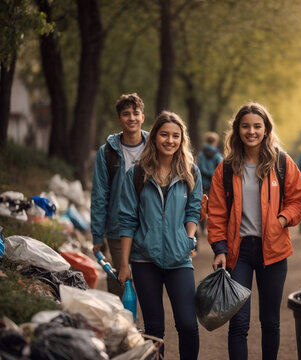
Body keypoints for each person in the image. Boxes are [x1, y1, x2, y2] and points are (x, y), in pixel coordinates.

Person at [207, 102, 301, 360]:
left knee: (270, 322)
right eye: (245, 126)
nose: (251, 131)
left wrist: (282, 220)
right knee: (239, 323)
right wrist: (219, 249)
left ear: (266, 129)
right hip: (238, 252)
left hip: (273, 251)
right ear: (237, 130)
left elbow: (299, 199)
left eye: (257, 126)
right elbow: (217, 212)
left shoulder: (282, 162)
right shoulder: (227, 168)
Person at [118, 111, 202, 360]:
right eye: (164, 134)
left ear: (182, 140)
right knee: (155, 329)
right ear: (154, 137)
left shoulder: (191, 172)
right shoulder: (137, 173)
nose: (170, 140)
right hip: (144, 260)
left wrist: (188, 239)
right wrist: (124, 263)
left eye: (176, 136)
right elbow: (127, 219)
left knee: (188, 324)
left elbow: (194, 210)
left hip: (180, 259)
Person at [91, 93, 148, 297]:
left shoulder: (155, 147)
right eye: (126, 114)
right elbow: (99, 195)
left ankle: (145, 325)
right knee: (121, 282)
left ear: (143, 117)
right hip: (116, 229)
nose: (131, 118)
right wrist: (98, 234)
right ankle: (122, 325)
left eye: (135, 113)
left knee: (147, 284)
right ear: (119, 119)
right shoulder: (107, 152)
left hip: (149, 228)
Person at [196, 131, 223, 235]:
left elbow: (199, 167)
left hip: (202, 183)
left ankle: (202, 227)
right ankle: (209, 228)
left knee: (202, 205)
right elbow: (220, 168)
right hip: (214, 184)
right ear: (215, 142)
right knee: (212, 206)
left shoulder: (201, 154)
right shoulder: (217, 155)